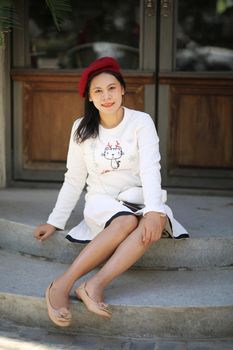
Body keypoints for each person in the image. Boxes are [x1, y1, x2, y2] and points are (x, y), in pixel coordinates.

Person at [34, 56, 188, 327]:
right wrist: (55, 220)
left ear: (123, 90)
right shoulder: (81, 129)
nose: (106, 96)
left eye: (112, 88)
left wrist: (154, 210)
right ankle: (62, 284)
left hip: (139, 198)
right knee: (126, 220)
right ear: (90, 98)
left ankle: (94, 285)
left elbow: (152, 167)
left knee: (146, 223)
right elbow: (74, 179)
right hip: (101, 201)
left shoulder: (141, 121)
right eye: (98, 91)